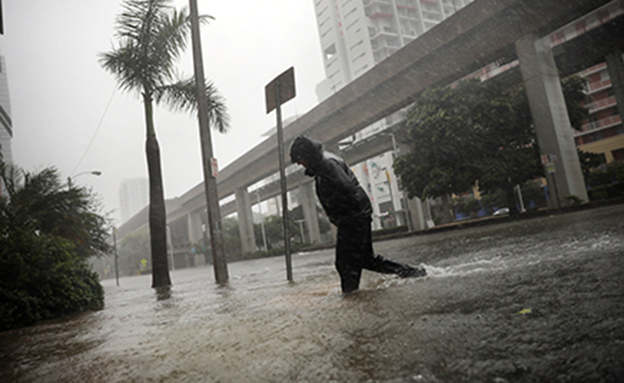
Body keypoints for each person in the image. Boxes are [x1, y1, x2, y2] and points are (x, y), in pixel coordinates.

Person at [290, 135, 426, 294]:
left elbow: (346, 188)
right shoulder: (323, 163)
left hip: (353, 215)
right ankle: (413, 273)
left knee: (345, 263)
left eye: (299, 159)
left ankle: (351, 297)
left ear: (307, 154)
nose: (299, 163)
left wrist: (340, 213)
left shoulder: (326, 164)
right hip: (357, 213)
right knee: (366, 260)